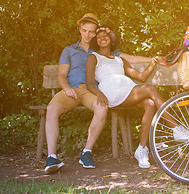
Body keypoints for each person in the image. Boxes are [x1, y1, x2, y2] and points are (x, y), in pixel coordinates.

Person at [44, 13, 157, 175]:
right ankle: (52, 157)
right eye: (85, 31)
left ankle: (86, 153)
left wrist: (154, 59)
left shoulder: (101, 50)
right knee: (52, 108)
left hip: (92, 92)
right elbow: (61, 75)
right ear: (80, 30)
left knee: (102, 108)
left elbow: (130, 58)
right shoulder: (69, 50)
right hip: (73, 90)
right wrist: (67, 87)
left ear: (96, 33)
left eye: (92, 32)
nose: (88, 35)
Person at [86, 26, 189, 168]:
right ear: (96, 41)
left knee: (150, 103)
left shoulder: (120, 60)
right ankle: (175, 127)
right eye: (98, 37)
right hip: (111, 92)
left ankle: (141, 150)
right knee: (151, 89)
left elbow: (141, 77)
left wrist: (153, 62)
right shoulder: (94, 57)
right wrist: (99, 94)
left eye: (104, 35)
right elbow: (89, 83)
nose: (102, 38)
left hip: (126, 89)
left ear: (111, 39)